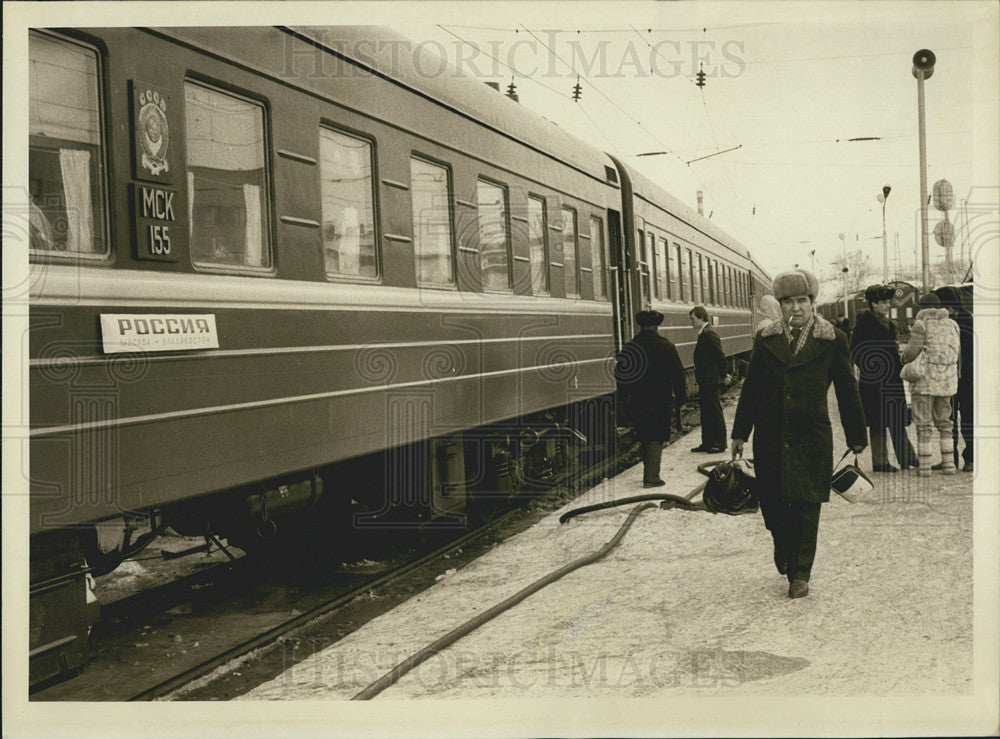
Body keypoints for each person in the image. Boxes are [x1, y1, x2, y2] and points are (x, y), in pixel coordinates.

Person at [731, 268, 867, 599]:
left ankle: (800, 572)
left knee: (808, 504)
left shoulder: (832, 339)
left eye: (802, 301)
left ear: (812, 303)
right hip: (771, 435)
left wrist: (856, 434)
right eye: (788, 301)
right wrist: (740, 432)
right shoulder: (766, 340)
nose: (796, 308)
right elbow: (751, 390)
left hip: (811, 435)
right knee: (774, 503)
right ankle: (781, 541)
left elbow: (848, 391)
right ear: (779, 304)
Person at [615, 310, 687, 488]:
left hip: (639, 400)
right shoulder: (667, 346)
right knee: (656, 436)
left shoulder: (630, 347)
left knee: (644, 434)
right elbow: (678, 375)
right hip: (660, 400)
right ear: (656, 326)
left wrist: (625, 397)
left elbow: (620, 376)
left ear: (641, 326)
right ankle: (652, 477)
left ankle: (649, 473)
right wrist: (680, 398)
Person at [850, 284, 918, 472]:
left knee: (896, 418)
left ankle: (907, 458)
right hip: (874, 381)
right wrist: (872, 368)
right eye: (883, 302)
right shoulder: (864, 324)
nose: (887, 305)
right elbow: (855, 351)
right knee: (878, 421)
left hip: (891, 379)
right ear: (873, 304)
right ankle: (880, 462)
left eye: (888, 302)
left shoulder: (887, 323)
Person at [900, 292, 960, 476]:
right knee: (945, 423)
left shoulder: (922, 324)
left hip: (924, 382)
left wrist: (903, 358)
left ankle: (925, 467)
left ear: (923, 308)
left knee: (923, 425)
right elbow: (957, 352)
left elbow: (912, 351)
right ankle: (949, 465)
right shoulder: (953, 324)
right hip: (946, 382)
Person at [934, 286, 973, 472]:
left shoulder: (962, 322)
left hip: (962, 378)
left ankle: (959, 458)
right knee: (959, 419)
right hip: (960, 378)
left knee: (958, 419)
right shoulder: (968, 320)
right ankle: (958, 459)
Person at [689, 305, 728, 453]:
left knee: (714, 411)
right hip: (706, 381)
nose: (691, 322)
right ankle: (707, 442)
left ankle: (719, 443)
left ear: (700, 318)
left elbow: (720, 356)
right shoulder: (704, 333)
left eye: (693, 319)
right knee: (706, 412)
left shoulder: (709, 334)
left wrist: (723, 376)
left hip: (711, 380)